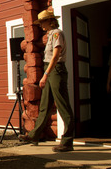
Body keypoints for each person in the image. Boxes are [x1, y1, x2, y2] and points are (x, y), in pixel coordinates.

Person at [19, 9, 74, 152]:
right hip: (50, 69)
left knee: (63, 105)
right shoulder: (50, 35)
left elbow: (56, 56)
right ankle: (34, 135)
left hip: (56, 70)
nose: (41, 25)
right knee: (45, 104)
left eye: (43, 21)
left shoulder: (57, 33)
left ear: (50, 20)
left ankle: (67, 141)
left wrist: (45, 75)